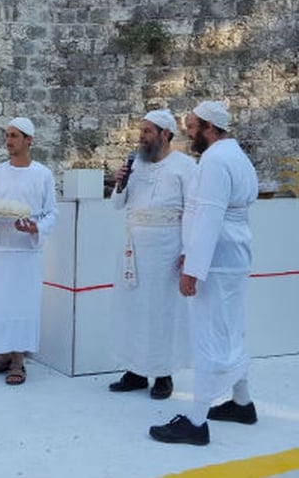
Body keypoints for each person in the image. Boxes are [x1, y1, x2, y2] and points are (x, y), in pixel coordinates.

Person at [150, 101, 259, 446]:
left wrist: (193, 270)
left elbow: (208, 218)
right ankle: (242, 404)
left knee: (209, 336)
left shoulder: (215, 161)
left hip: (215, 262)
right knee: (231, 330)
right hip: (232, 257)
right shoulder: (237, 157)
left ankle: (196, 421)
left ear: (211, 128)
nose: (189, 132)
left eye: (194, 127)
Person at [108, 110, 196, 399]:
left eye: (147, 131)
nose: (141, 137)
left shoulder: (185, 166)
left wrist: (187, 251)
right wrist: (120, 182)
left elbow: (194, 212)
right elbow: (118, 205)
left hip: (167, 251)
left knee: (162, 312)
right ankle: (134, 371)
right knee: (133, 310)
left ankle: (162, 374)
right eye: (141, 131)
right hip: (135, 250)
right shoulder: (136, 164)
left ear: (166, 134)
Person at [0, 117, 58, 385]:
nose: (9, 141)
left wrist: (35, 228)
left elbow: (52, 212)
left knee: (21, 305)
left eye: (14, 136)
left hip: (25, 254)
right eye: (7, 136)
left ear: (29, 140)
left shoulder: (42, 174)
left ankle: (18, 361)